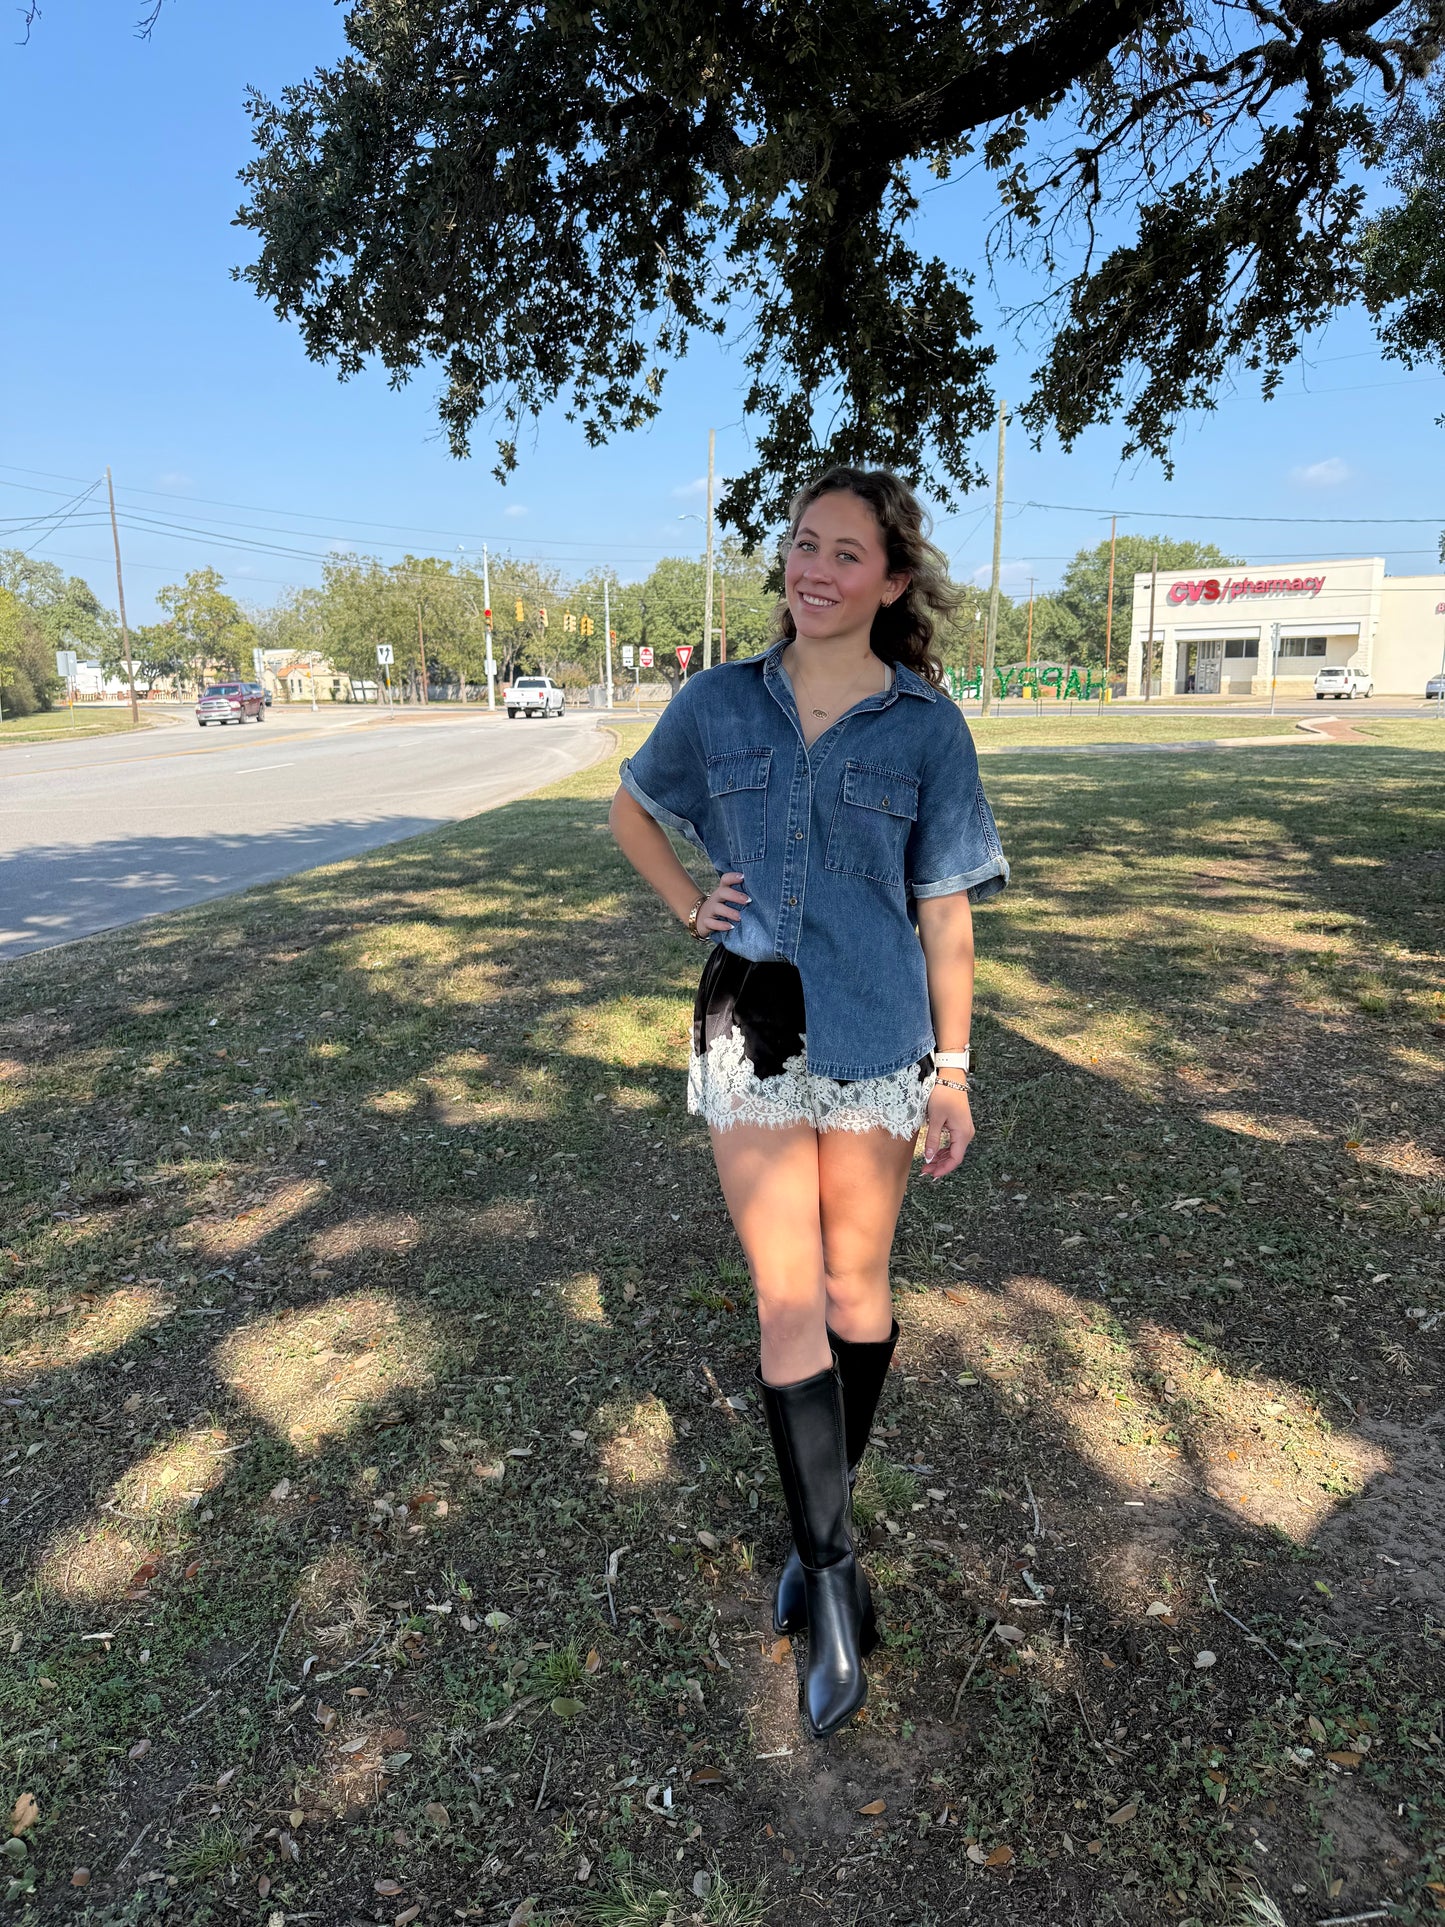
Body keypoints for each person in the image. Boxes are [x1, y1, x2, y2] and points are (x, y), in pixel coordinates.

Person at [608, 467, 1008, 1739]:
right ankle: (830, 1575)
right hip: (753, 1019)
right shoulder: (716, 701)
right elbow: (632, 805)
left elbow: (942, 909)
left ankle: (819, 1523)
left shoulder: (925, 727)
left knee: (854, 1293)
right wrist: (688, 903)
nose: (815, 569)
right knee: (787, 1294)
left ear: (891, 581)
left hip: (880, 1027)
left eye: (846, 553)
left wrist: (951, 1071)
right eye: (800, 545)